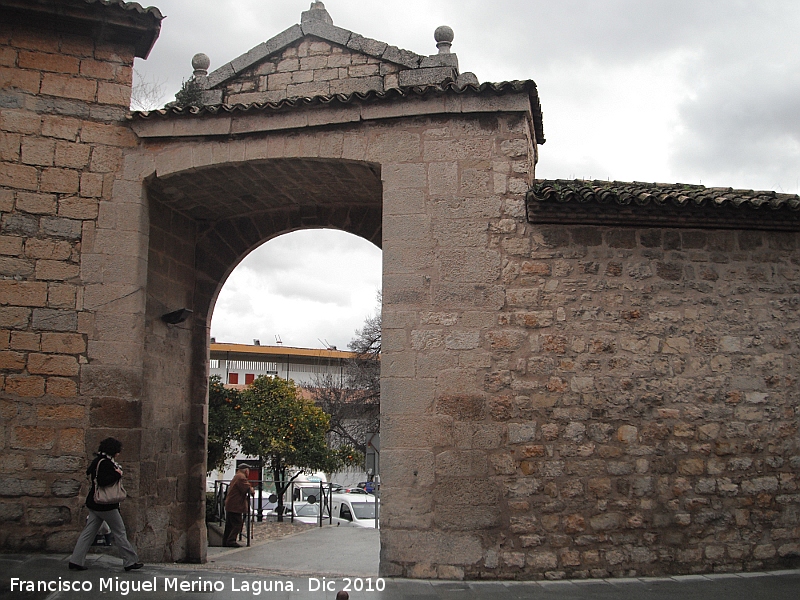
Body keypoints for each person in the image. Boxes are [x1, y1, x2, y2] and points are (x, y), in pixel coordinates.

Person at [68, 437, 143, 571]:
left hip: (95, 504)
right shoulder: (106, 464)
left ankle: (76, 560)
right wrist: (118, 475)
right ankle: (130, 561)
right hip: (106, 505)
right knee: (120, 532)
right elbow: (103, 481)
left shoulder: (98, 461)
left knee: (88, 533)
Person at [223, 463, 254, 547]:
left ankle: (226, 540)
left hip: (231, 504)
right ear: (246, 471)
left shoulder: (237, 476)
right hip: (235, 505)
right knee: (237, 523)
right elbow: (247, 489)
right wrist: (252, 490)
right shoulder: (241, 478)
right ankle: (231, 541)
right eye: (248, 471)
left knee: (229, 524)